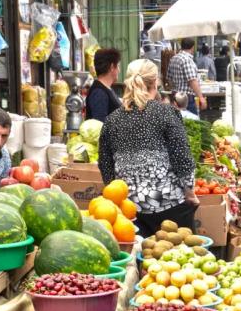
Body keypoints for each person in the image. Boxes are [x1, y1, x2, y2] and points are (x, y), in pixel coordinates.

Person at [98, 59, 198, 235]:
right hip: (169, 205)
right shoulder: (166, 113)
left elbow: (105, 166)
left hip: (130, 210)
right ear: (155, 82)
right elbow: (182, 157)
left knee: (137, 253)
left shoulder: (112, 120)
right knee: (180, 251)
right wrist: (190, 193)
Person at [166, 38, 206, 115]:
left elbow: (169, 80)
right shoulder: (187, 60)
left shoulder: (174, 58)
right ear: (193, 47)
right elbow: (192, 81)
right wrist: (201, 97)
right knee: (191, 119)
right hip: (186, 98)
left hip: (175, 95)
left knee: (177, 119)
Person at [86, 47, 122, 121]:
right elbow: (99, 123)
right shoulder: (99, 92)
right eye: (118, 66)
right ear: (112, 67)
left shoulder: (106, 88)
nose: (119, 70)